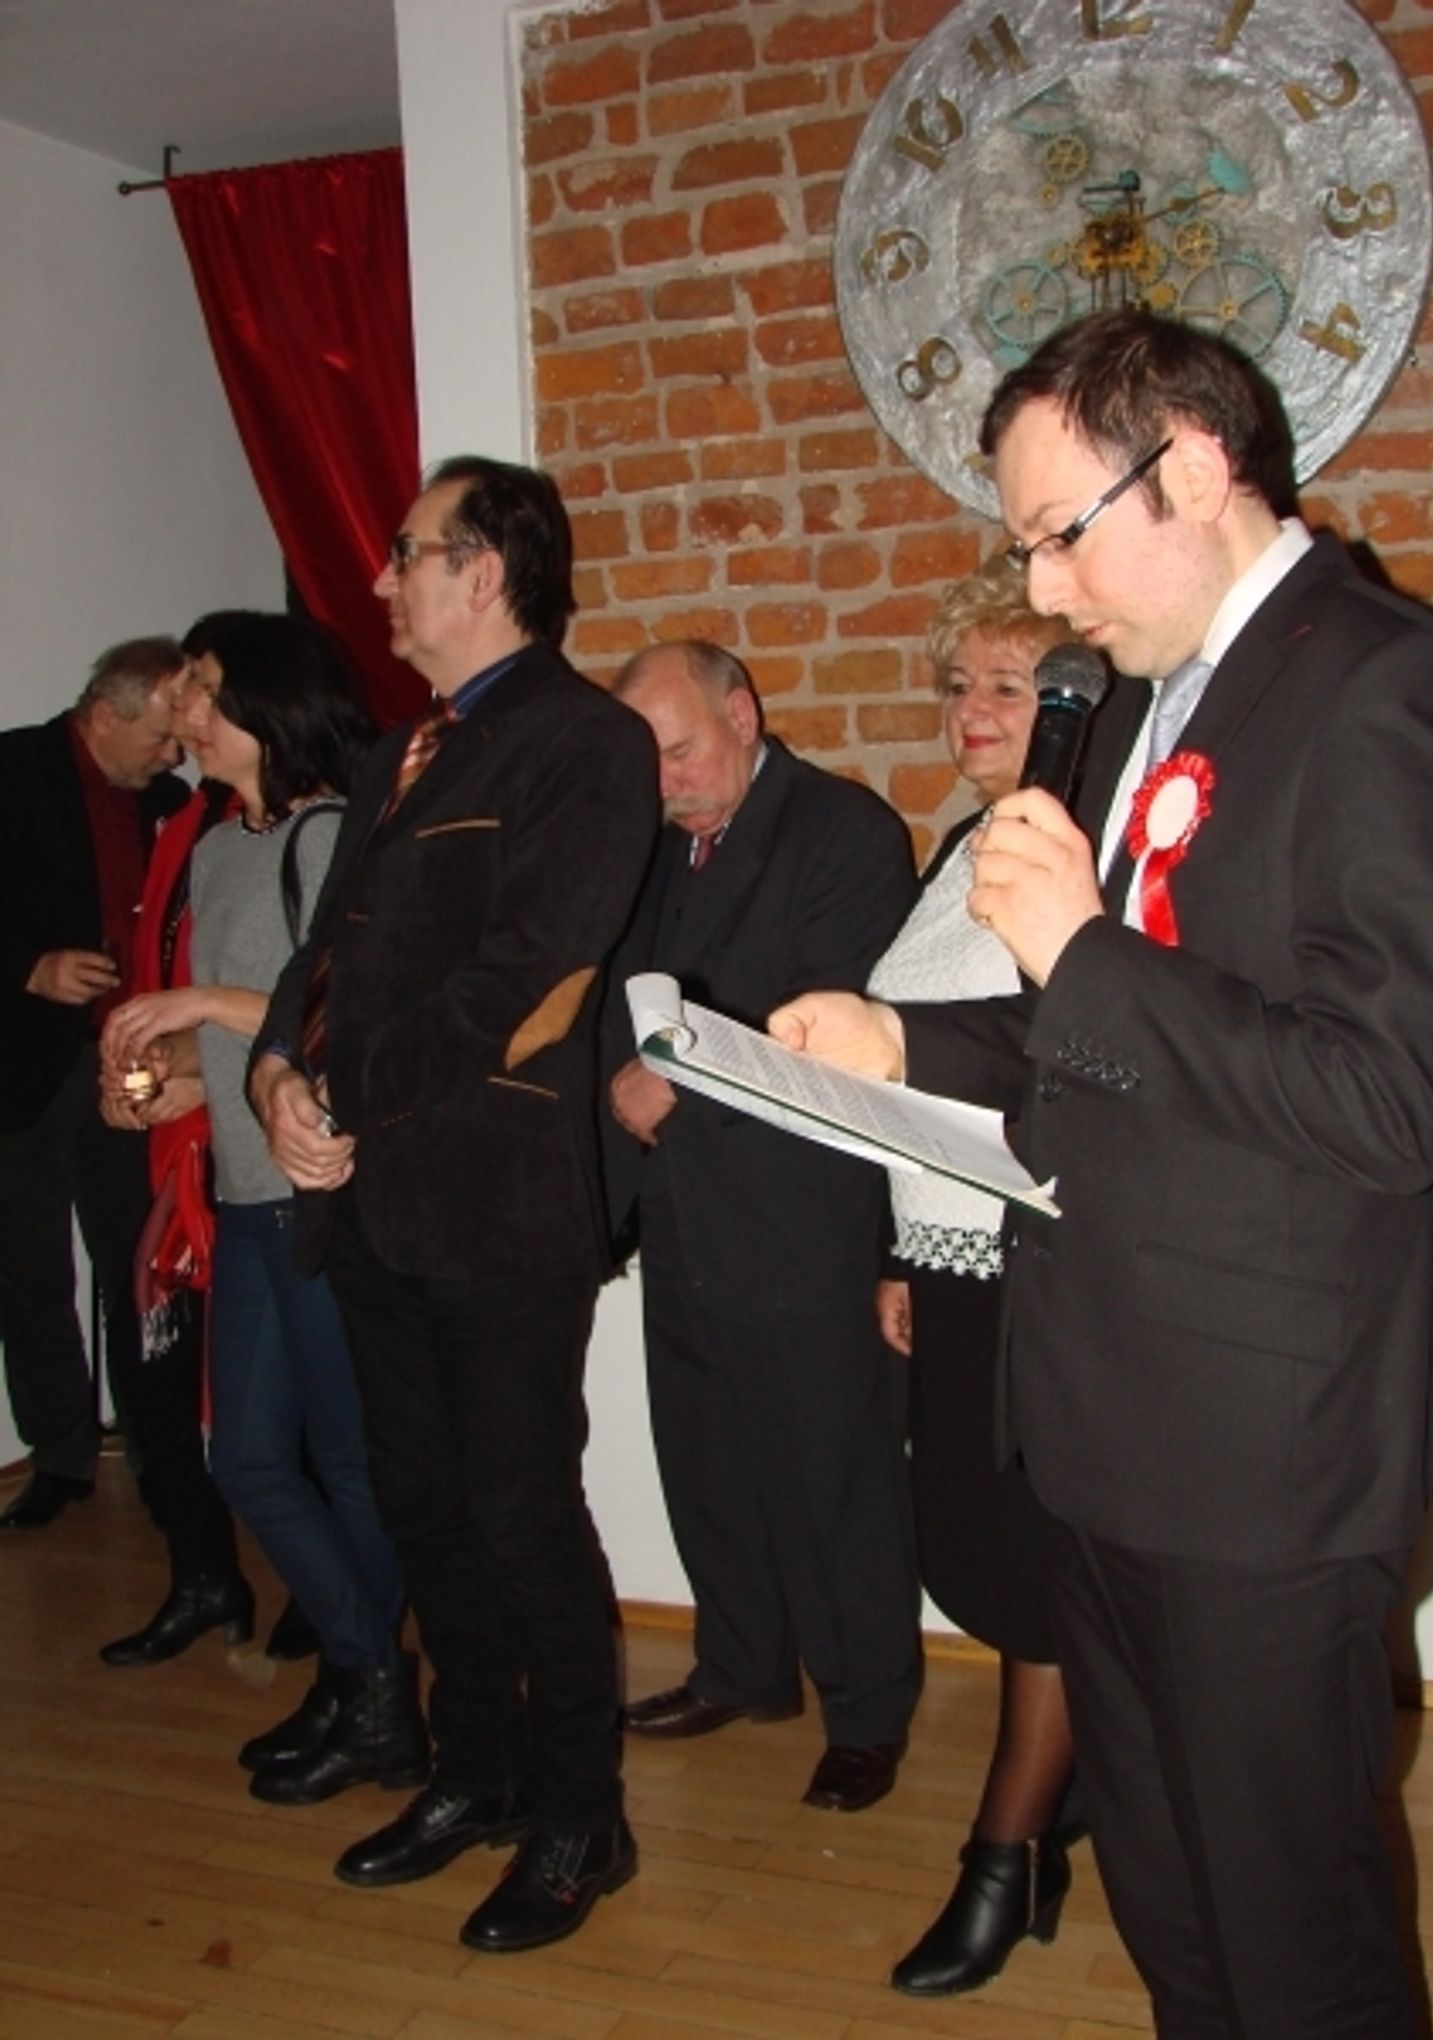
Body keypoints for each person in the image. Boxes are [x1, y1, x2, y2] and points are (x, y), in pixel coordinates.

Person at [771, 309, 1433, 2037]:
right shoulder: (1132, 709)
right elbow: (1088, 1047)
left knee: (1295, 1942)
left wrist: (1082, 950)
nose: (1043, 588)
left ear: (1188, 465)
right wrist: (899, 1044)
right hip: (1096, 1424)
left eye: (1060, 533)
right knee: (1175, 1914)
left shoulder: (1392, 685)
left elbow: (1392, 1102)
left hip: (1266, 1450)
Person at [248, 458, 659, 1954]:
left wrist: (341, 1093)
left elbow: (524, 983)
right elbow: (322, 959)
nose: (381, 579)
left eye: (406, 551)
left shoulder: (587, 742)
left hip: (496, 1212)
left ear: (484, 573)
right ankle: (477, 1773)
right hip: (374, 1211)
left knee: (521, 1515)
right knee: (422, 1507)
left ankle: (581, 1817)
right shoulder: (395, 756)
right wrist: (276, 1077)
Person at [603, 639, 923, 1815]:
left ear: (742, 714)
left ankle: (867, 1711)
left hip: (806, 1218)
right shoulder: (657, 846)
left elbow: (824, 1019)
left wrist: (674, 1076)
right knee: (706, 1458)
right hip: (682, 1209)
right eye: (647, 764)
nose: (666, 782)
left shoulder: (843, 831)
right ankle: (742, 1665)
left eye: (680, 751)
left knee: (833, 1477)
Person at [108, 611, 417, 1802]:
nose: (184, 710)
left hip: (321, 1196)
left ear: (267, 704)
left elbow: (342, 1015)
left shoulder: (332, 834)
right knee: (242, 1459)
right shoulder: (217, 847)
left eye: (203, 687)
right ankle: (366, 1671)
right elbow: (240, 1043)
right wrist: (165, 1083)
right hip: (245, 1196)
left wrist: (194, 1005)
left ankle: (368, 1694)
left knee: (346, 1463)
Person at [866, 563, 1079, 1994]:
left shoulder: (1075, 852)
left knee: (1035, 1568)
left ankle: (1004, 1854)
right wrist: (900, 1250)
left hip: (1039, 1265)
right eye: (958, 686)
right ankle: (1062, 1812)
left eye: (1009, 685)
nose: (972, 710)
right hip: (945, 1259)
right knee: (980, 1554)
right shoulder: (959, 845)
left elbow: (1060, 1069)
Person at [0, 640, 187, 1530]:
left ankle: (158, 1450)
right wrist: (29, 968)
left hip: (133, 1062)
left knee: (135, 1268)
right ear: (104, 716)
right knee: (28, 1273)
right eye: (159, 736)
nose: (173, 753)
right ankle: (62, 1457)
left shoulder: (173, 803)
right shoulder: (11, 772)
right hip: (25, 1066)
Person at [96, 627, 251, 1665]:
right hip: (172, 1137)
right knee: (152, 1364)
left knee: (268, 1392)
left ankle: (329, 1619)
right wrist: (135, 1072)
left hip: (246, 1132)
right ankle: (202, 1573)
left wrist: (193, 1071)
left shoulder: (305, 827)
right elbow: (156, 967)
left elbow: (297, 1004)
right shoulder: (189, 818)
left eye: (204, 699)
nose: (187, 724)